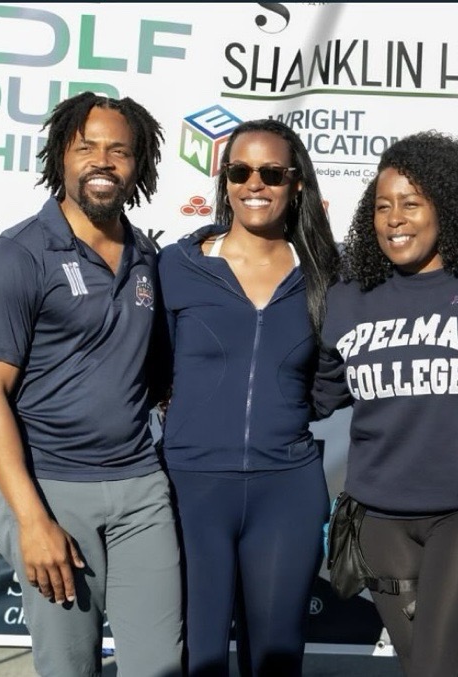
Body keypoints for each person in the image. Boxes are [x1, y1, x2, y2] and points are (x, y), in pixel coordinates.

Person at [0, 92, 181, 676]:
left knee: (159, 666)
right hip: (52, 493)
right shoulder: (20, 254)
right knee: (68, 667)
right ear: (61, 156)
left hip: (141, 489)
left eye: (119, 150)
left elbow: (156, 372)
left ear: (139, 165)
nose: (102, 161)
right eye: (86, 148)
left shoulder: (147, 255)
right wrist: (33, 521)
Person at [312, 131, 458, 677]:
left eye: (411, 203)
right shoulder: (348, 300)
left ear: (448, 210)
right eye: (383, 206)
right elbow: (316, 396)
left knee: (437, 670)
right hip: (380, 523)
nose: (394, 219)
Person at [157, 118, 339, 676]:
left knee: (276, 659)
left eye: (271, 173)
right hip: (193, 486)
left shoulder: (325, 274)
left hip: (286, 488)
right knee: (200, 657)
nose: (254, 184)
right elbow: (154, 364)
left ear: (297, 183)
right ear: (225, 180)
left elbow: (334, 372)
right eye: (240, 171)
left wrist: (282, 413)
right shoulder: (179, 266)